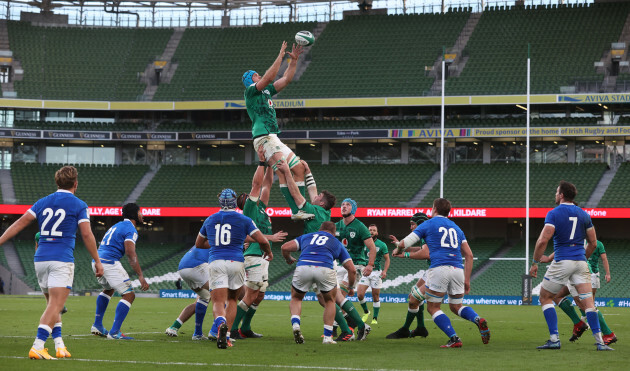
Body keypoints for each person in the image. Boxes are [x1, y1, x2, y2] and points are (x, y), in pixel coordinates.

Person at [0, 165, 104, 360]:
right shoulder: (79, 204)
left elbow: (20, 223)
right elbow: (87, 234)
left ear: (57, 182)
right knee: (56, 305)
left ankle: (59, 345)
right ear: (75, 183)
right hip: (61, 259)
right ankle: (38, 345)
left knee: (52, 305)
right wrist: (97, 260)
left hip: (40, 259)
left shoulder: (42, 202)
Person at [391, 198, 490, 348]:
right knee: (456, 307)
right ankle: (477, 319)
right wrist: (467, 280)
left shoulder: (428, 224)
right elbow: (469, 255)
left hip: (439, 269)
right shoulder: (456, 228)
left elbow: (404, 243)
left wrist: (398, 250)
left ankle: (454, 338)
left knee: (433, 307)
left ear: (435, 208)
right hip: (457, 269)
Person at [529, 181, 613, 351]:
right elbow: (593, 243)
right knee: (589, 303)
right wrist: (582, 257)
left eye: (556, 191)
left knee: (545, 297)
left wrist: (535, 262)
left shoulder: (554, 213)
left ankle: (554, 339)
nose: (555, 194)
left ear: (561, 195)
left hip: (562, 260)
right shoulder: (583, 214)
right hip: (581, 263)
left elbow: (543, 240)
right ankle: (600, 343)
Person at [195, 188, 271, 349]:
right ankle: (227, 335)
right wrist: (268, 252)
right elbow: (262, 240)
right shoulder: (243, 219)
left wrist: (216, 243)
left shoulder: (210, 219)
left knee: (218, 301)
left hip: (216, 261)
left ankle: (220, 324)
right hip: (236, 262)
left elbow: (199, 244)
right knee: (231, 300)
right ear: (234, 202)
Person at [243, 42, 311, 221]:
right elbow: (268, 78)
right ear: (251, 79)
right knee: (282, 169)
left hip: (273, 137)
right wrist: (280, 56)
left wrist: (293, 61)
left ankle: (301, 206)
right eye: (257, 75)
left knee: (297, 167)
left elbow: (286, 80)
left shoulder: (265, 91)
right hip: (263, 137)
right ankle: (297, 210)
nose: (260, 76)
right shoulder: (250, 92)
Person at [232, 147, 287, 340]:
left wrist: (271, 166)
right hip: (254, 255)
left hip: (263, 256)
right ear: (244, 202)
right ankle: (232, 329)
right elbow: (257, 184)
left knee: (260, 294)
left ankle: (245, 327)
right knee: (251, 294)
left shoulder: (261, 208)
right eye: (245, 196)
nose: (249, 195)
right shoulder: (249, 208)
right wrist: (262, 162)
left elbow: (267, 185)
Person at [281, 221, 356, 345]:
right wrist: (351, 287)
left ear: (320, 229)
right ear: (333, 232)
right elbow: (352, 270)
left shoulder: (307, 236)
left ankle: (296, 325)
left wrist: (288, 258)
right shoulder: (336, 242)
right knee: (330, 301)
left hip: (303, 266)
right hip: (324, 268)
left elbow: (284, 247)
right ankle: (327, 338)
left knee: (296, 298)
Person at [90, 203, 149, 340]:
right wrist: (140, 276)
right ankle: (114, 332)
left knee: (109, 289)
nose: (142, 214)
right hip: (109, 262)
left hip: (97, 260)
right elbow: (130, 253)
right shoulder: (131, 229)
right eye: (140, 212)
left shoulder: (116, 226)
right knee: (129, 295)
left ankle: (97, 325)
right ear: (135, 214)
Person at [540, 250, 617, 346]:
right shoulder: (583, 237)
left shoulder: (578, 240)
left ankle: (608, 333)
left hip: (577, 271)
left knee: (586, 306)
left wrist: (548, 258)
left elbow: (565, 246)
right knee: (556, 295)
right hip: (575, 268)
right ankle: (578, 323)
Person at [386, 212, 430, 339]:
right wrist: (400, 245)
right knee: (413, 295)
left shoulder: (427, 235)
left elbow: (426, 254)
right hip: (433, 269)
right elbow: (420, 249)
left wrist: (404, 254)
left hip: (438, 270)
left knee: (414, 299)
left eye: (412, 224)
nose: (411, 227)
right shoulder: (425, 235)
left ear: (420, 224)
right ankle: (421, 327)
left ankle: (405, 329)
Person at [165, 245, 211, 340]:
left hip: (183, 267)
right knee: (220, 294)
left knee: (204, 297)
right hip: (197, 266)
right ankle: (217, 332)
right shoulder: (221, 239)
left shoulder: (207, 238)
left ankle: (174, 327)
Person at [357, 224, 390, 325]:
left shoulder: (382, 244)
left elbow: (387, 259)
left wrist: (384, 271)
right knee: (360, 294)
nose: (371, 232)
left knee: (375, 296)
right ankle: (366, 312)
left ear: (377, 233)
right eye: (370, 230)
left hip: (376, 273)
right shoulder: (363, 243)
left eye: (373, 230)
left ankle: (375, 318)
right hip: (365, 271)